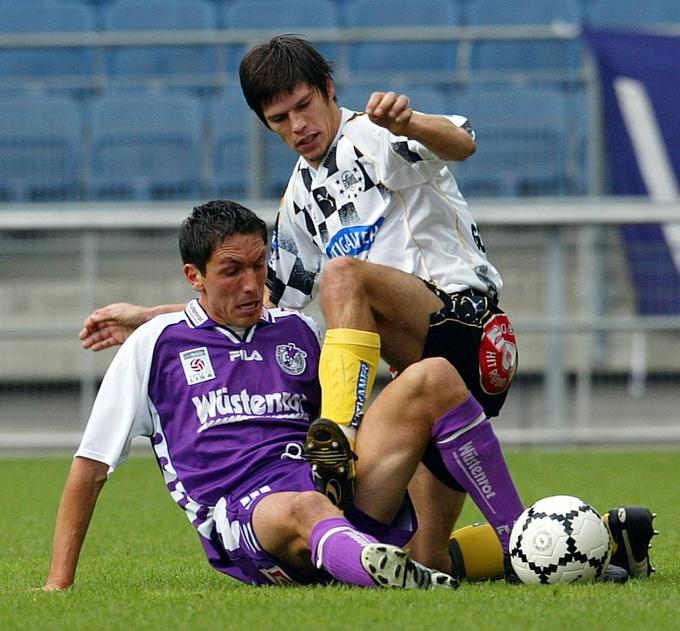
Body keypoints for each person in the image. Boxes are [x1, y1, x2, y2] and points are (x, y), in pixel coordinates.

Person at [77, 37, 657, 581]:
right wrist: (153, 314)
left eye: (304, 106)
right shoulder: (298, 197)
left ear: (329, 88)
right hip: (429, 370)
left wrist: (411, 121)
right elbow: (262, 301)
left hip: (464, 324)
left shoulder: (374, 133)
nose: (297, 127)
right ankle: (593, 542)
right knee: (421, 556)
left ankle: (338, 433)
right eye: (279, 120)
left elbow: (464, 141)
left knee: (343, 274)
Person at [46, 199, 510, 591]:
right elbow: (91, 466)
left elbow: (350, 413)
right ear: (195, 276)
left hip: (334, 491)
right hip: (246, 519)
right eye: (232, 271)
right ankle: (400, 572)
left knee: (434, 375)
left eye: (259, 265)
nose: (251, 284)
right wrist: (57, 584)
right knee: (304, 506)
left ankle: (518, 538)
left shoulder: (297, 329)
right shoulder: (155, 344)